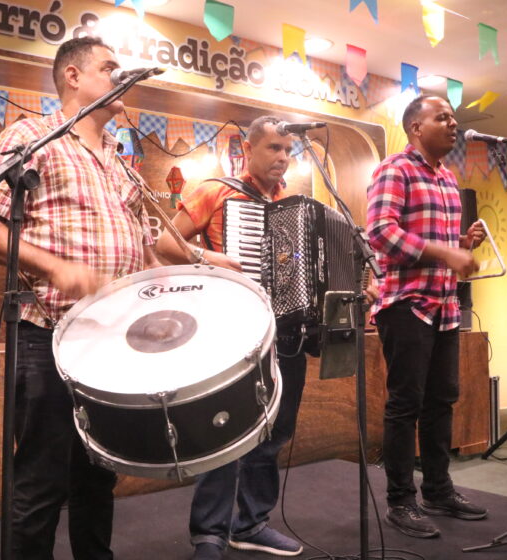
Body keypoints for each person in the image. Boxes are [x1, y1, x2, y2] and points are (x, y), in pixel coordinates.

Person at [0, 36, 160, 559]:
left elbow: (146, 248)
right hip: (48, 334)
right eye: (110, 66)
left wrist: (191, 280)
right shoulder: (32, 136)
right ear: (73, 76)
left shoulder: (120, 161)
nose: (122, 76)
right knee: (42, 483)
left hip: (113, 341)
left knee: (98, 478)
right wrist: (56, 268)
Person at [157, 116, 306, 560]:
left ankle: (251, 523)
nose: (282, 158)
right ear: (248, 148)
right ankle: (210, 532)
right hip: (231, 331)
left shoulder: (295, 204)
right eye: (274, 148)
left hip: (286, 335)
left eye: (288, 151)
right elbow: (165, 244)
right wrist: (212, 258)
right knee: (227, 432)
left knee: (275, 433)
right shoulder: (216, 190)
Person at [365, 95, 487, 539]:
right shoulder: (395, 169)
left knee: (442, 402)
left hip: (445, 308)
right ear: (416, 127)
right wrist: (445, 251)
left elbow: (438, 242)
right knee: (405, 405)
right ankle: (401, 500)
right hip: (406, 307)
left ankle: (438, 489)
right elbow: (381, 232)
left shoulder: (449, 179)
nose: (453, 123)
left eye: (454, 117)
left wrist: (463, 243)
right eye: (443, 117)